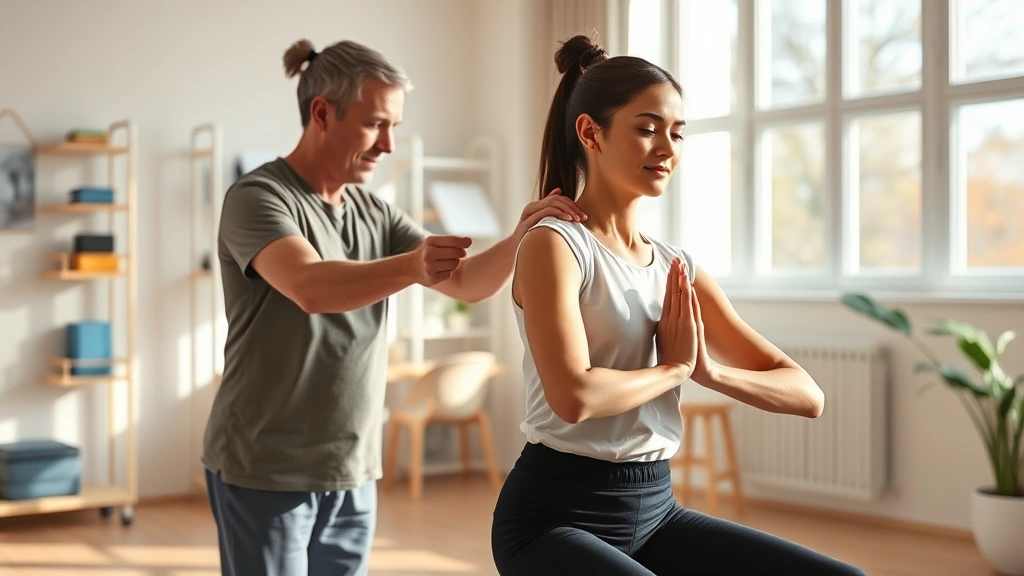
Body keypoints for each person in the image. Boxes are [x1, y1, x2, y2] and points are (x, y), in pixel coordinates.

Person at [201, 38, 586, 576]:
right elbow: (309, 286)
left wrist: (524, 233)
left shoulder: (373, 211)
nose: (387, 145)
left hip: (353, 465)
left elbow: (469, 282)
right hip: (265, 465)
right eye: (376, 124)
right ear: (322, 113)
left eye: (394, 128)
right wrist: (410, 267)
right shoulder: (258, 197)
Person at [490, 34, 867, 576]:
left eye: (677, 133)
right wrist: (674, 369)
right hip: (553, 519)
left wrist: (710, 372)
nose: (667, 148)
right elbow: (574, 396)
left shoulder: (677, 267)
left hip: (656, 513)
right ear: (590, 133)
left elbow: (807, 395)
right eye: (646, 129)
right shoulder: (555, 245)